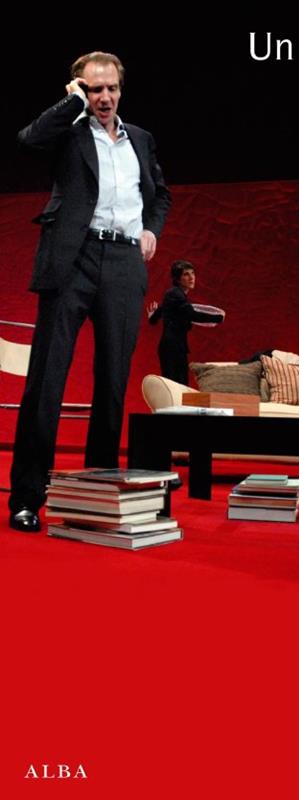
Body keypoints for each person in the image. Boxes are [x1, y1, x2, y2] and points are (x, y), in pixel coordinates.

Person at [8, 51, 171, 532]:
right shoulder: (69, 131)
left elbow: (160, 194)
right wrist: (70, 104)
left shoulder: (140, 138)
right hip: (71, 259)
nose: (104, 97)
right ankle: (27, 498)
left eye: (111, 88)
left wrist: (151, 229)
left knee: (112, 384)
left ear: (121, 89)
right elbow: (28, 140)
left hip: (123, 263)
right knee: (47, 381)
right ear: (80, 88)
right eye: (94, 88)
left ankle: (96, 499)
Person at [147, 260, 224, 384]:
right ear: (177, 279)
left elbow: (157, 315)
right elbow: (192, 314)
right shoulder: (175, 294)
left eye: (192, 273)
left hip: (174, 346)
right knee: (176, 385)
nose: (191, 277)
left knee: (178, 384)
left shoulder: (174, 294)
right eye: (186, 274)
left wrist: (152, 317)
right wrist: (218, 318)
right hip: (172, 348)